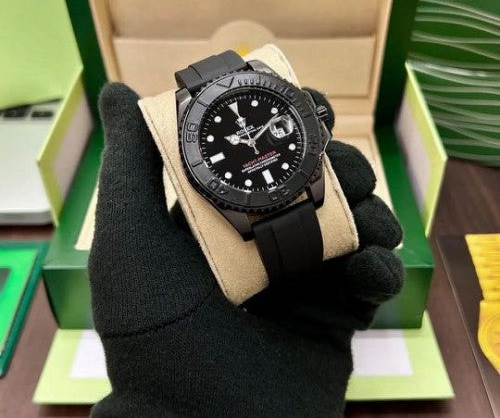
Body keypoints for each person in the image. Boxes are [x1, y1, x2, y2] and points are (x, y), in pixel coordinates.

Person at [89, 83, 404, 417]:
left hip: (272, 188)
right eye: (245, 141)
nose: (253, 143)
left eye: (256, 136)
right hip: (235, 205)